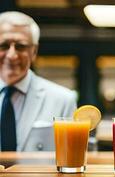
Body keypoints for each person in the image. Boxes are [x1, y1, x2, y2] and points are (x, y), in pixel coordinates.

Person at [0, 11, 77, 151]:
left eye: (20, 46)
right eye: (3, 46)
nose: (11, 55)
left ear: (34, 51)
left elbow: (71, 159)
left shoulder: (63, 100)